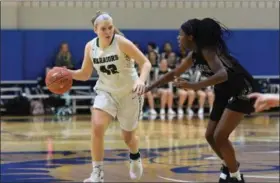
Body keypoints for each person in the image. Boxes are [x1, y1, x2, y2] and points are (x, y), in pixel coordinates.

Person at [144, 18, 260, 183]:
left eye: (180, 34)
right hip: (223, 92)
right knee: (210, 136)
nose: (178, 38)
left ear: (190, 37)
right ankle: (230, 165)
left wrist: (193, 86)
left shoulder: (209, 51)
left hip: (242, 90)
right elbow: (174, 73)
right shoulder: (195, 55)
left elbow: (223, 74)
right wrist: (149, 87)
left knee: (220, 136)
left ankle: (235, 177)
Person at [66, 11, 151, 182]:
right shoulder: (90, 47)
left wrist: (141, 81)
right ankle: (97, 173)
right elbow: (84, 74)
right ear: (95, 30)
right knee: (97, 126)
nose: (108, 31)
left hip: (130, 93)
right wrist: (66, 73)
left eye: (110, 27)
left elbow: (145, 63)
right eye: (103, 28)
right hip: (106, 92)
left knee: (128, 138)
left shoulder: (122, 43)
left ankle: (135, 156)